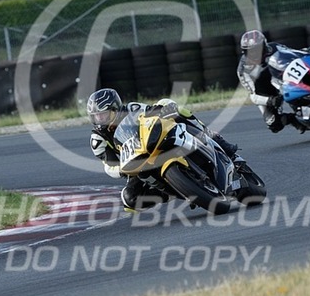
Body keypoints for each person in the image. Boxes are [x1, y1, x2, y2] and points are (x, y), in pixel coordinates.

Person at [87, 88, 244, 212]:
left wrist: (162, 110)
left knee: (170, 105)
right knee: (129, 199)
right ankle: (174, 191)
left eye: (104, 115)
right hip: (136, 163)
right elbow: (108, 165)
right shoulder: (98, 139)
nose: (100, 120)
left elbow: (151, 112)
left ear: (115, 109)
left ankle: (214, 138)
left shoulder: (132, 108)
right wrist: (120, 169)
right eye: (96, 117)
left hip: (152, 141)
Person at [237, 29, 310, 133]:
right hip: (265, 91)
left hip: (283, 78)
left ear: (264, 45)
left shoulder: (274, 47)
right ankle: (293, 120)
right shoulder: (243, 70)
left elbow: (292, 53)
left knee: (298, 94)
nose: (254, 54)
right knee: (274, 124)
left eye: (257, 49)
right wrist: (270, 100)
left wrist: (307, 52)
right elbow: (253, 95)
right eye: (250, 51)